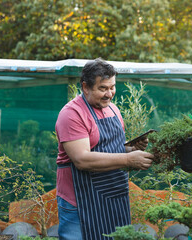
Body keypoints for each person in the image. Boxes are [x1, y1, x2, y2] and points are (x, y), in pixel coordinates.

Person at [55, 58, 154, 240]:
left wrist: (130, 149)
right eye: (103, 88)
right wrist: (128, 160)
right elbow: (82, 160)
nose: (110, 94)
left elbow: (111, 150)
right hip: (80, 202)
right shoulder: (72, 114)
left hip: (114, 198)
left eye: (112, 87)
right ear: (85, 87)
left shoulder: (113, 110)